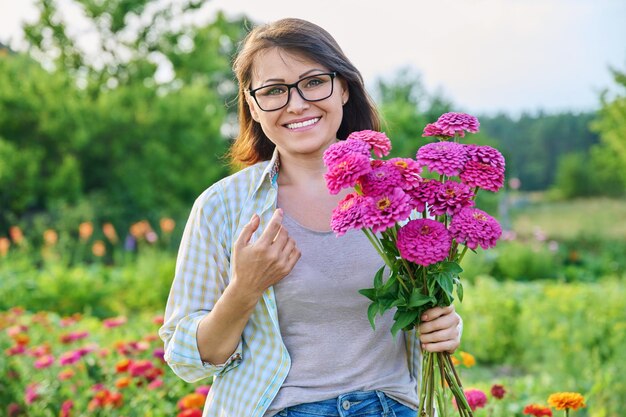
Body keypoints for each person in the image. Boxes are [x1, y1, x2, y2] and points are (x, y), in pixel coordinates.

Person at [159, 17, 462, 417]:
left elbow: (422, 307)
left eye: (314, 82)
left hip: (392, 406)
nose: (297, 104)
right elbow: (187, 359)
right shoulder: (223, 207)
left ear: (343, 88)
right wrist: (245, 288)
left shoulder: (400, 193)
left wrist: (444, 326)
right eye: (274, 91)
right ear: (252, 104)